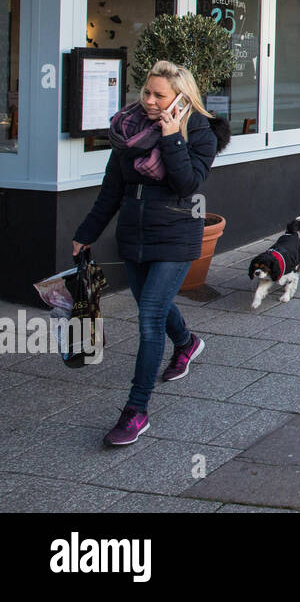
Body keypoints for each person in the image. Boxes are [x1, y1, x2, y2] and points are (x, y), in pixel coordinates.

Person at [73, 61, 230, 446]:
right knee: (151, 304)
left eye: (160, 95)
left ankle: (136, 410)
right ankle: (188, 342)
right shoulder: (130, 131)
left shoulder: (200, 131)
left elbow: (187, 183)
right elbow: (112, 188)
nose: (150, 101)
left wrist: (172, 136)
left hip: (177, 231)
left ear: (181, 96)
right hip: (135, 232)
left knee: (149, 318)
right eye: (147, 92)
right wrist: (86, 233)